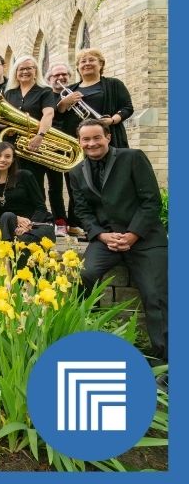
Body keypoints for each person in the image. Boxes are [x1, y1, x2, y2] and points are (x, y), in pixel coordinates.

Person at [69, 119, 167, 363]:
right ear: (79, 142)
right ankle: (90, 336)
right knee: (84, 275)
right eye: (86, 139)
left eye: (96, 138)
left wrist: (133, 234)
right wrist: (101, 235)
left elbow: (151, 201)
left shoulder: (133, 157)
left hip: (144, 239)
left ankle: (166, 361)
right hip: (106, 238)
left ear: (108, 137)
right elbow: (82, 212)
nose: (91, 143)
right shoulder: (75, 172)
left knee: (156, 295)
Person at [0, 55, 57, 198]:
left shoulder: (45, 91)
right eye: (21, 69)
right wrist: (6, 125)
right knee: (15, 182)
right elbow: (2, 118)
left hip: (35, 144)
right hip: (14, 145)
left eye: (29, 68)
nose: (25, 72)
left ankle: (39, 216)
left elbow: (48, 113)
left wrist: (40, 136)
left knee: (35, 181)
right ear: (16, 72)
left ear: (36, 71)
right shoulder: (9, 93)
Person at [59, 48, 134, 149]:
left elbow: (127, 108)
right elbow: (57, 116)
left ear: (101, 64)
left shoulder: (113, 84)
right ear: (78, 67)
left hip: (107, 138)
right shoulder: (70, 89)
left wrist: (112, 120)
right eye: (83, 61)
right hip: (76, 141)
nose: (87, 63)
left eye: (92, 60)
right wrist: (64, 103)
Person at [0, 142, 54, 244]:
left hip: (35, 224)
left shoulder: (25, 176)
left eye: (7, 156)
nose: (2, 160)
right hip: (7, 224)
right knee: (7, 218)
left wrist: (27, 226)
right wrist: (16, 218)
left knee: (23, 241)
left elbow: (41, 208)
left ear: (13, 160)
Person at [43, 63, 72, 233]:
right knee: (55, 186)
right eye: (56, 76)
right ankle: (60, 220)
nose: (60, 78)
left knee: (75, 186)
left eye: (64, 74)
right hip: (52, 146)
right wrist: (62, 104)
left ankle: (75, 221)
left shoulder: (75, 92)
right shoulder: (47, 95)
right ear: (49, 79)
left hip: (73, 147)